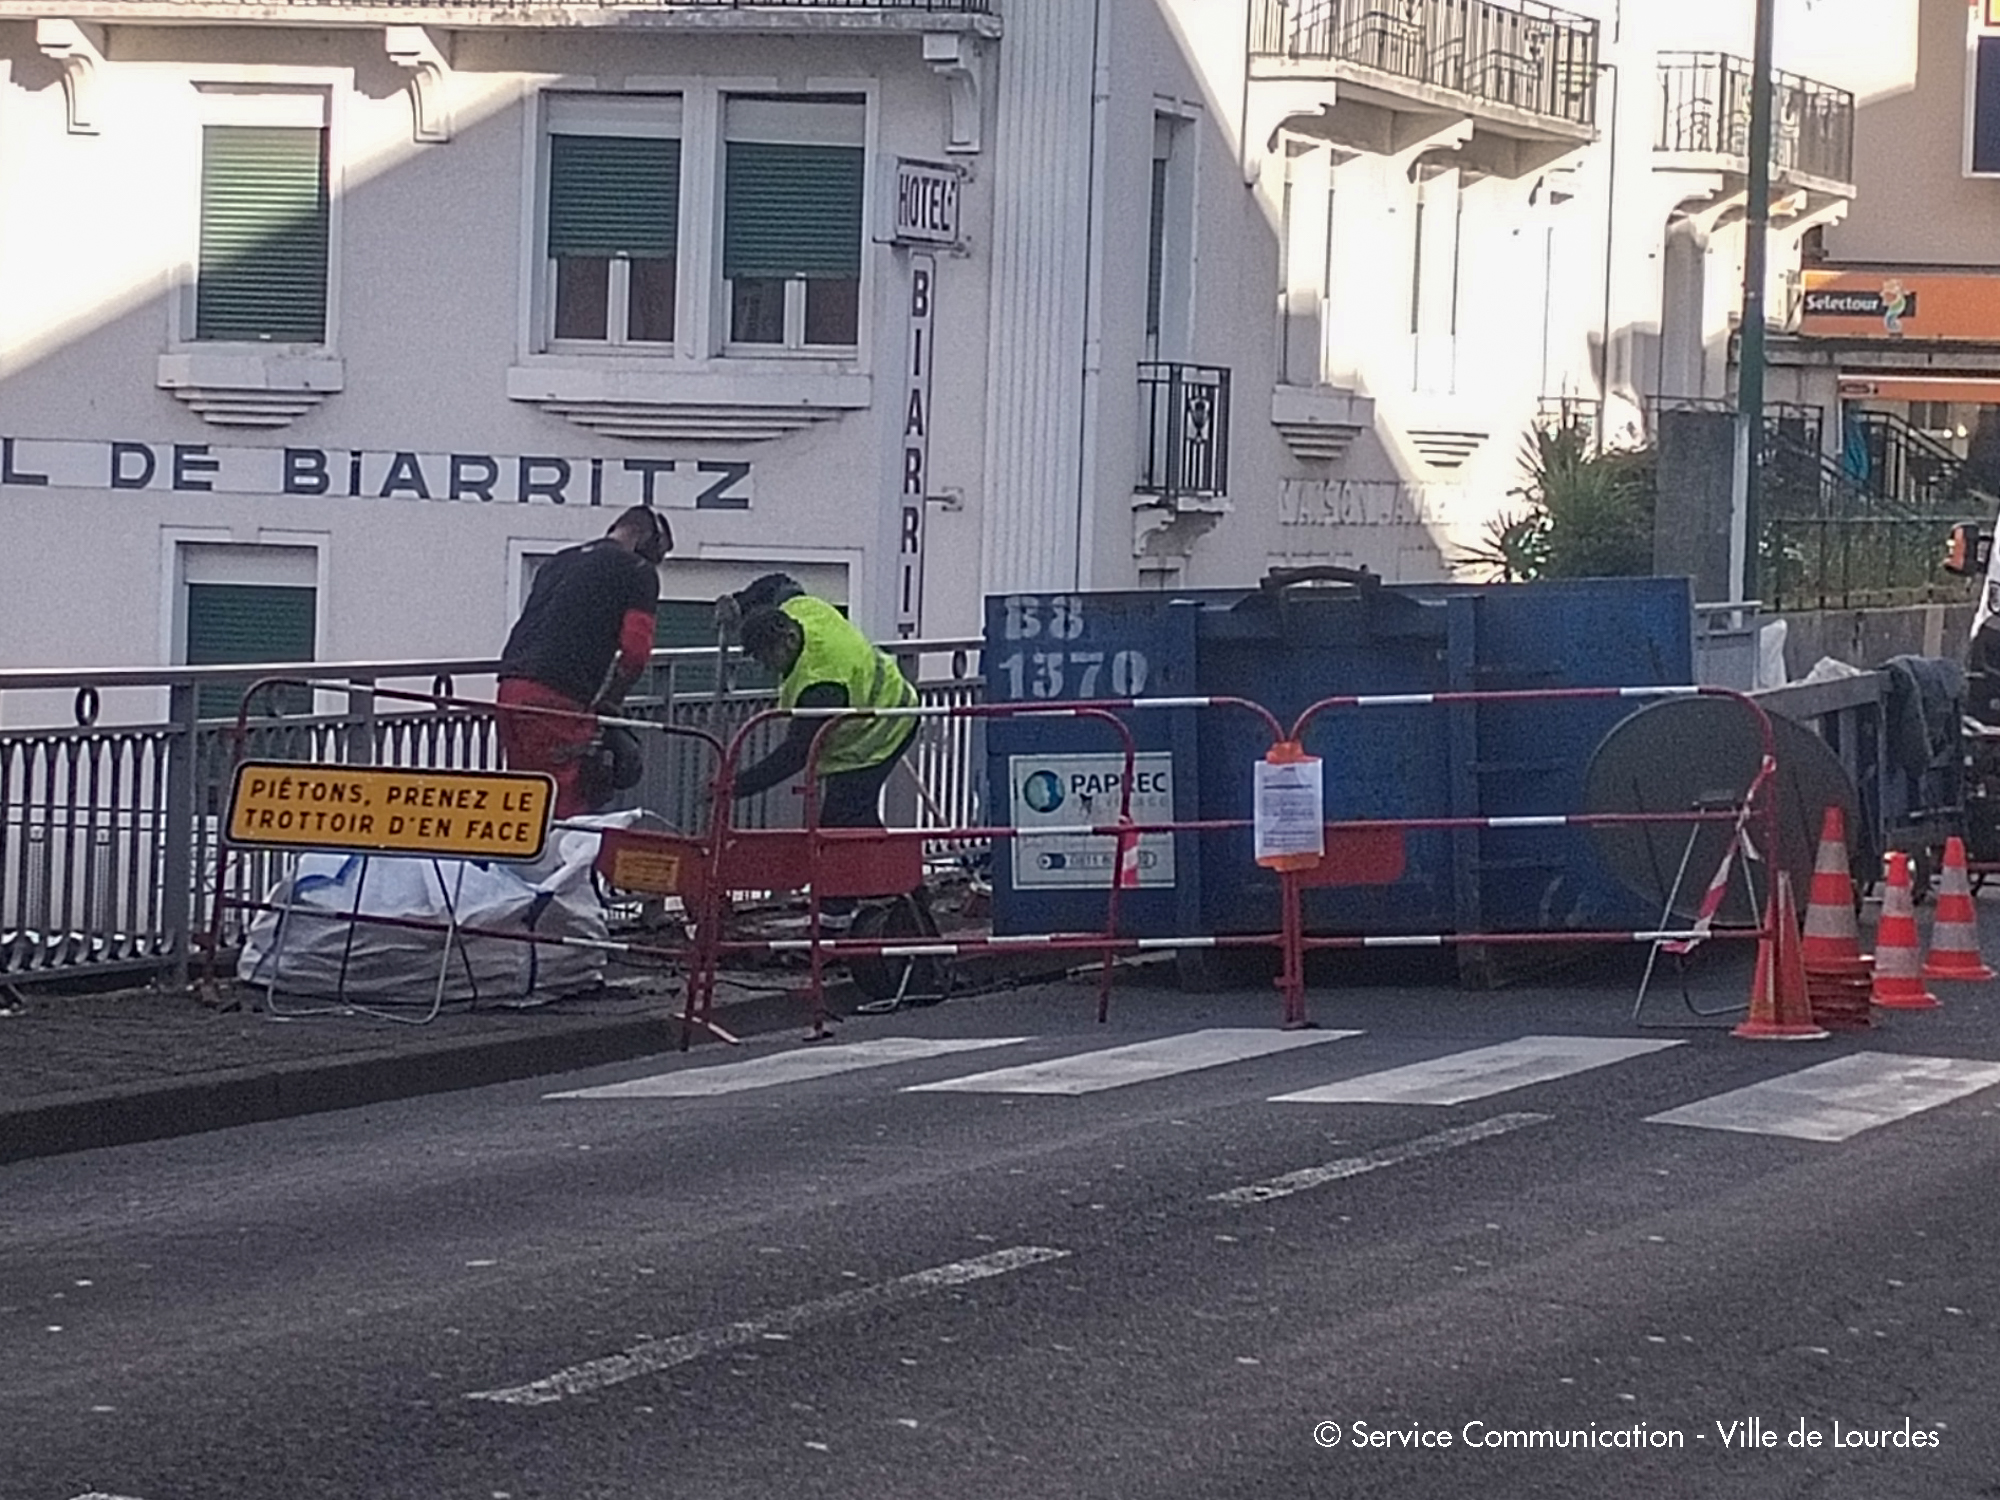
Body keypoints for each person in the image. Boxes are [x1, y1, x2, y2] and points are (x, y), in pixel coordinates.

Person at [731, 594, 919, 911]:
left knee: (837, 827)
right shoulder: (800, 608)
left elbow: (794, 754)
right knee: (855, 820)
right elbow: (776, 583)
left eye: (767, 657)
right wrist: (740, 602)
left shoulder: (821, 683)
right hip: (884, 709)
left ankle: (836, 917)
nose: (765, 667)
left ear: (789, 639)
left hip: (882, 731)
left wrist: (735, 786)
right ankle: (898, 894)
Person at [497, 505, 669, 818]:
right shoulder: (637, 571)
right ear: (646, 538)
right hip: (557, 697)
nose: (658, 562)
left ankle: (515, 866)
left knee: (523, 798)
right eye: (660, 553)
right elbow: (635, 650)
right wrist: (610, 706)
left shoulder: (559, 561)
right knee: (566, 804)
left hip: (510, 688)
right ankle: (561, 866)